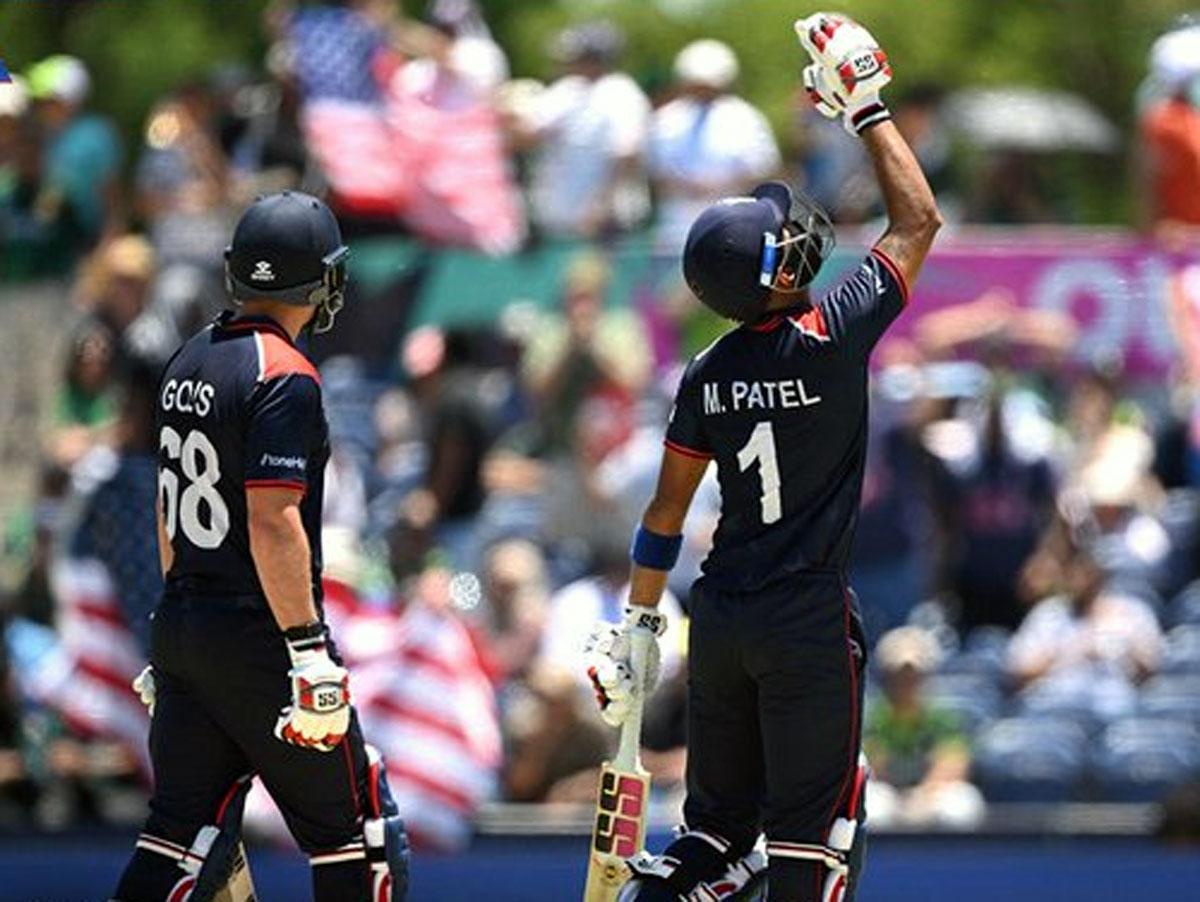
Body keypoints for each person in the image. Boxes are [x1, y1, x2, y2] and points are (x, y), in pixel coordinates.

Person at [585, 14, 940, 902]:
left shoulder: (707, 371)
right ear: (775, 277)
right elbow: (918, 219)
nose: (801, 238)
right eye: (784, 242)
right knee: (811, 850)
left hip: (723, 620)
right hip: (805, 620)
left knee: (710, 838)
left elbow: (664, 515)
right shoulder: (829, 334)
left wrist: (635, 624)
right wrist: (867, 111)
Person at [112, 192, 408, 901]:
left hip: (184, 623)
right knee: (359, 834)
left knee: (177, 840)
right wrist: (307, 648)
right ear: (318, 280)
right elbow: (273, 520)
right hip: (260, 637)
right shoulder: (286, 374)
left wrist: (173, 625)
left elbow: (169, 511)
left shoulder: (187, 360)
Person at [649, 39, 781, 253]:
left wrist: (720, 185)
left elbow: (763, 167)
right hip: (674, 230)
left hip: (732, 231)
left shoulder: (745, 117)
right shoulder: (667, 119)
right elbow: (655, 171)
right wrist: (688, 186)